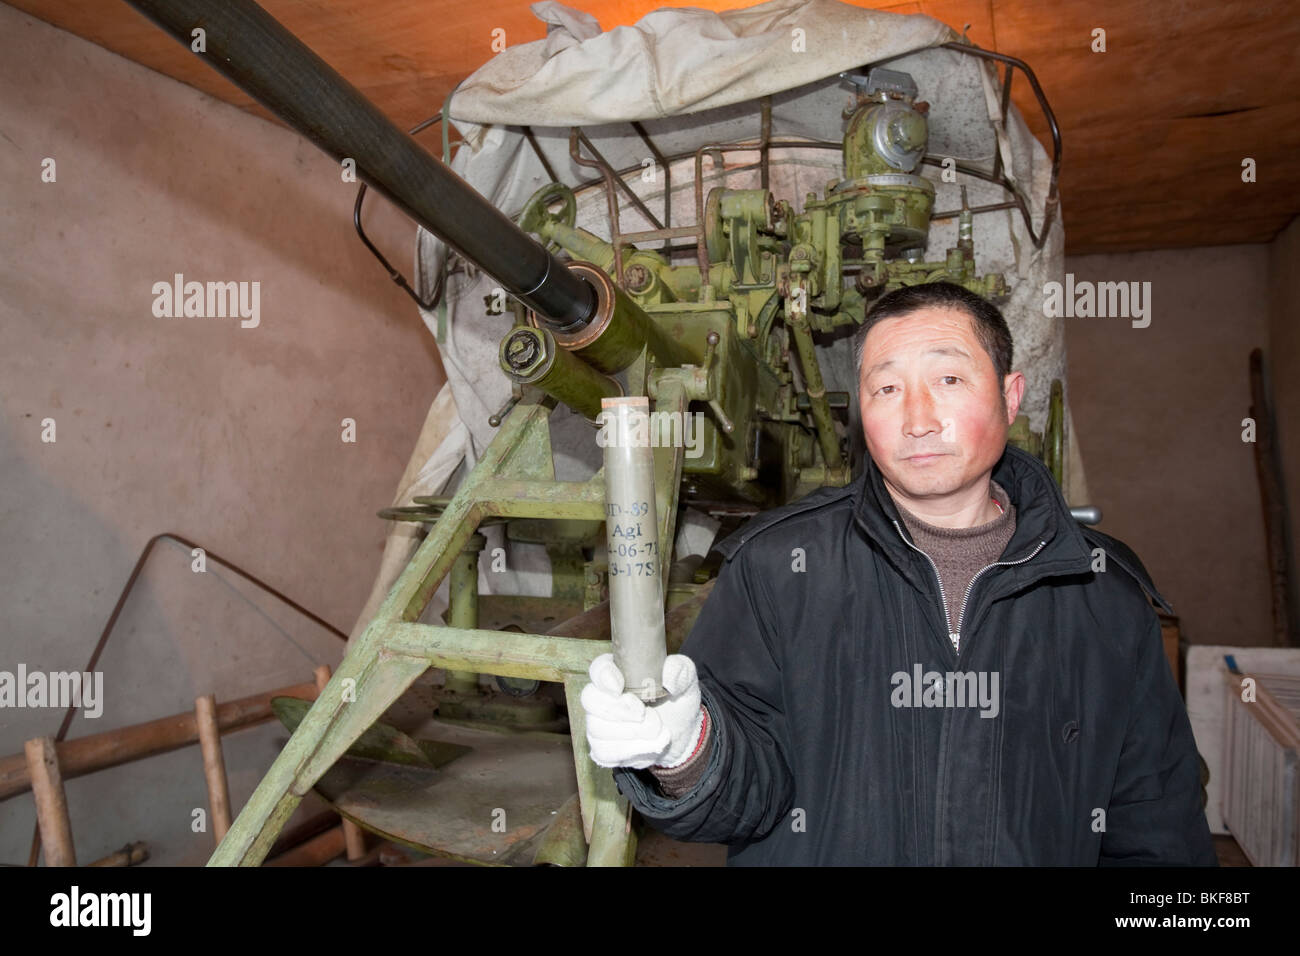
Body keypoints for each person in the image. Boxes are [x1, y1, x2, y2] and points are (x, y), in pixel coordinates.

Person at [580, 281, 1217, 866]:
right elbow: (748, 796)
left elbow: (1155, 828)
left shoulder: (1100, 593)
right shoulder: (777, 569)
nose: (917, 419)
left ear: (1010, 394)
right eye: (886, 389)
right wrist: (688, 750)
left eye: (948, 379)